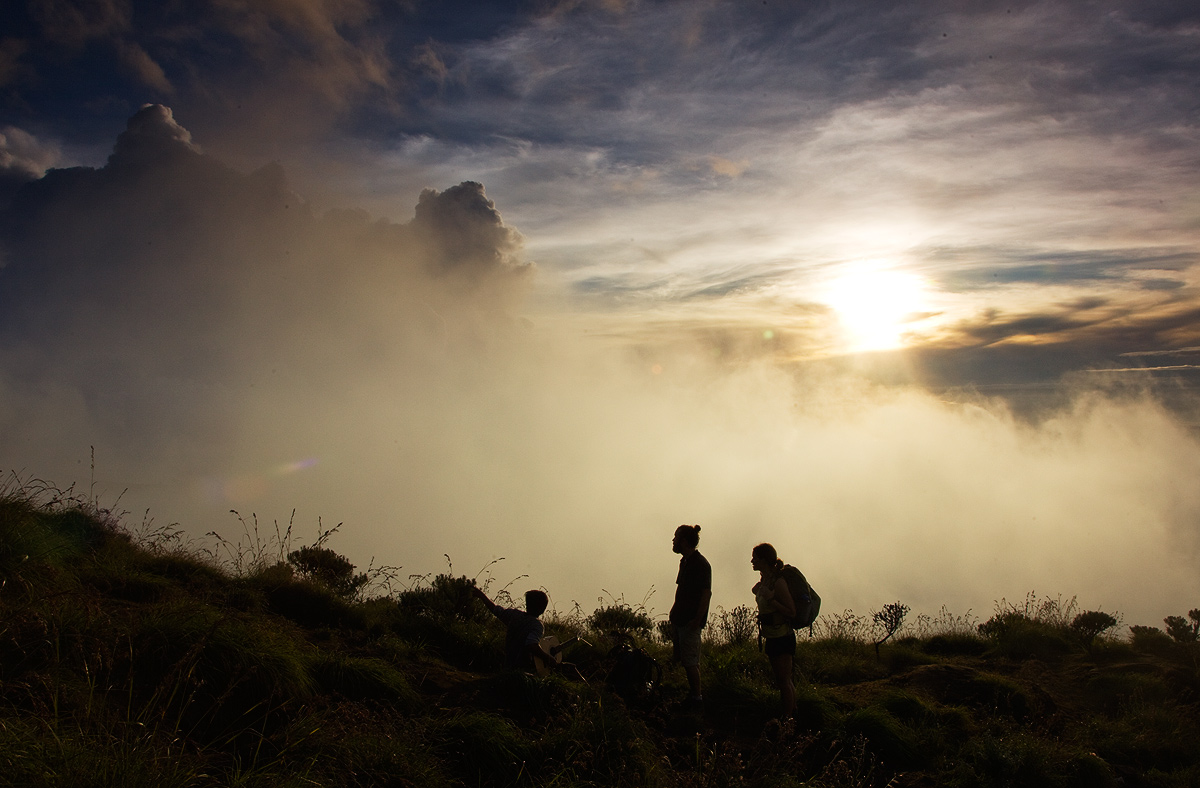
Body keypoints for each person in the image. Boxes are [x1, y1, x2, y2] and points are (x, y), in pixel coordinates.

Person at [751, 543, 796, 718]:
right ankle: (791, 715)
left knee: (783, 681)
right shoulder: (766, 581)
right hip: (772, 636)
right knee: (783, 680)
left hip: (782, 637)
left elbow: (791, 612)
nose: (752, 561)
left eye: (755, 557)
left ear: (764, 560)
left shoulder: (779, 582)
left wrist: (771, 599)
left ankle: (787, 720)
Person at [471, 585, 560, 674]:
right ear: (542, 609)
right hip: (524, 671)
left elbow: (495, 609)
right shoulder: (537, 625)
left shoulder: (514, 615)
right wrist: (548, 659)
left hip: (508, 664)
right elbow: (531, 645)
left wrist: (481, 595)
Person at [669, 524, 711, 710]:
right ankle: (693, 695)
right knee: (685, 659)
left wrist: (697, 620)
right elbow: (681, 589)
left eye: (676, 537)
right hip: (680, 619)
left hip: (689, 621)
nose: (673, 541)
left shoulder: (700, 564)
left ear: (684, 541)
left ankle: (697, 698)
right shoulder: (685, 562)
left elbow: (705, 594)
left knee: (691, 661)